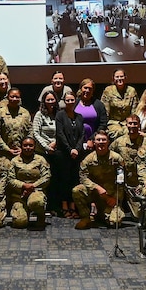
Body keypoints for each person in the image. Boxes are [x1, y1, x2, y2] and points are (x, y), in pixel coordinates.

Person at [71, 129, 125, 229]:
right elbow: (83, 177)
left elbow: (121, 182)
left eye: (104, 140)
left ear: (108, 142)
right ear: (94, 142)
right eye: (98, 140)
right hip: (94, 193)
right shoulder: (88, 159)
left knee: (114, 223)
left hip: (110, 197)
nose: (101, 142)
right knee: (77, 190)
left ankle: (102, 215)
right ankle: (86, 218)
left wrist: (116, 199)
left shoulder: (117, 159)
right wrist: (96, 187)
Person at [111, 114, 146, 213]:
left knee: (138, 214)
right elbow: (109, 154)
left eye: (135, 123)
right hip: (123, 182)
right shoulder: (119, 142)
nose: (132, 126)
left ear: (139, 125)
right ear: (126, 125)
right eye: (130, 123)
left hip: (139, 184)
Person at [54, 90, 87, 218]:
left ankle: (73, 206)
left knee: (74, 179)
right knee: (64, 180)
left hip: (76, 154)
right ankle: (64, 206)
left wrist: (77, 149)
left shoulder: (79, 116)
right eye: (67, 100)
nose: (70, 102)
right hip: (63, 153)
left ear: (75, 101)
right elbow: (60, 134)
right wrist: (70, 149)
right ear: (64, 101)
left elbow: (82, 135)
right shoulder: (60, 115)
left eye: (72, 100)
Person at [5, 136, 49, 228]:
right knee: (19, 223)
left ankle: (41, 216)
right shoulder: (14, 161)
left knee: (37, 202)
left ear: (34, 147)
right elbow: (10, 179)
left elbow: (46, 177)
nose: (28, 148)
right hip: (19, 195)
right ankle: (24, 213)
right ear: (21, 147)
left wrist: (32, 186)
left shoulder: (40, 160)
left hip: (36, 191)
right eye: (25, 145)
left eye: (30, 145)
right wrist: (23, 185)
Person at [101, 69, 138, 141]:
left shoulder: (131, 91)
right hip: (113, 123)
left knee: (130, 133)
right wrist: (103, 127)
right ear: (113, 78)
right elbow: (105, 111)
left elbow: (135, 111)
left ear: (125, 78)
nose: (119, 79)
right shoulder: (108, 91)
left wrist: (132, 124)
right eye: (117, 77)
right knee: (118, 133)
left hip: (128, 123)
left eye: (121, 76)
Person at [0, 87, 32, 159]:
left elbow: (30, 131)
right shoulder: (0, 113)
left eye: (17, 97)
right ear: (7, 97)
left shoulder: (25, 113)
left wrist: (24, 148)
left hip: (22, 153)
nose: (14, 99)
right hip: (4, 154)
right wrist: (7, 149)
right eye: (12, 96)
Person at [74, 78, 109, 144]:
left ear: (93, 91)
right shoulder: (74, 104)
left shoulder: (99, 105)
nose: (87, 90)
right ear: (81, 89)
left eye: (90, 89)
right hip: (75, 141)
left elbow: (103, 124)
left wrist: (92, 139)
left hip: (93, 141)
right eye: (85, 88)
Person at [32, 91, 60, 160]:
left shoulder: (59, 114)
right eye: (48, 100)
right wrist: (46, 147)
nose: (50, 102)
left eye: (52, 99)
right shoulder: (39, 114)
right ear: (44, 101)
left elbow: (62, 132)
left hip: (56, 150)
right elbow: (35, 133)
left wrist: (55, 143)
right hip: (42, 152)